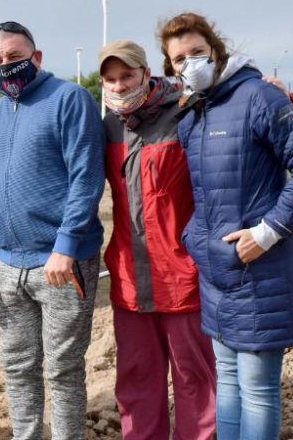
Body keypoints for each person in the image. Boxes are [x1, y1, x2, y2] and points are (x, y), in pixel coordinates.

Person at [161, 12, 293, 439]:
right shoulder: (193, 117)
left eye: (197, 52)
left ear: (216, 52)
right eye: (179, 59)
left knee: (257, 390)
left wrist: (267, 232)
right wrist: (195, 238)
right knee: (229, 385)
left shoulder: (258, 97)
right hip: (218, 271)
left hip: (261, 270)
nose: (189, 63)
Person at [0, 21, 105, 440]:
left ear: (36, 58)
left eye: (16, 57)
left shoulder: (69, 99)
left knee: (62, 369)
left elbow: (86, 178)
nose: (7, 65)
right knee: (18, 369)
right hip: (8, 266)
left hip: (60, 264)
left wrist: (67, 244)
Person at [97, 40, 216, 439]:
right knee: (136, 379)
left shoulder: (187, 111)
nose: (118, 85)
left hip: (182, 273)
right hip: (130, 278)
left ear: (146, 73)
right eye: (110, 79)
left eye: (126, 76)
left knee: (194, 379)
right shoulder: (109, 126)